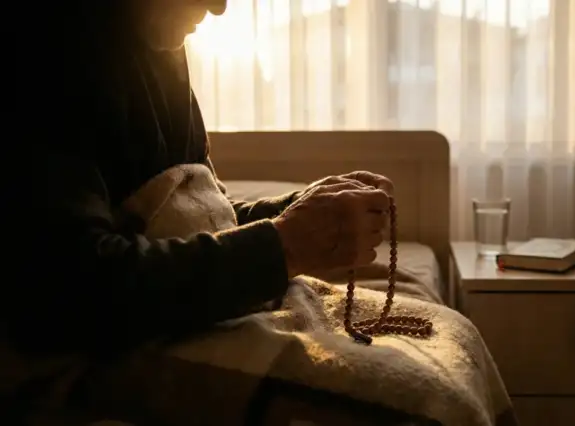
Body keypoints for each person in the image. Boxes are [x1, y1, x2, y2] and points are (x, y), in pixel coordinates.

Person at [6, 0, 394, 354]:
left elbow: (198, 217)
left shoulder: (158, 47)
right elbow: (74, 291)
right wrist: (285, 246)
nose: (220, 7)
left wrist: (296, 214)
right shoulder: (42, 55)